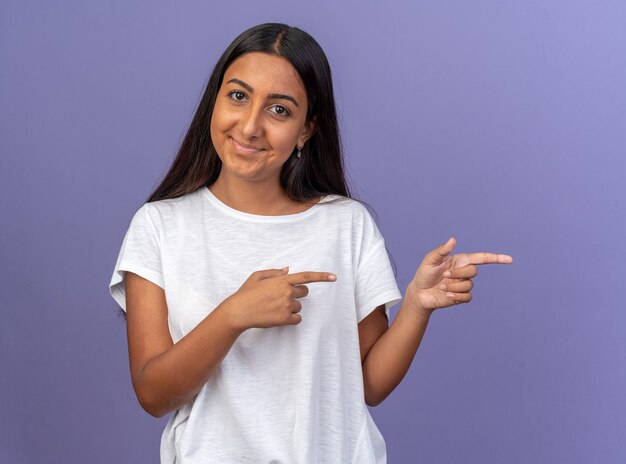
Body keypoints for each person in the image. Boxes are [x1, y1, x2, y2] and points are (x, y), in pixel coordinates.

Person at [108, 23, 512, 464]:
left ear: (305, 130)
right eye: (238, 96)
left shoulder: (346, 224)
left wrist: (416, 303)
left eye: (279, 110)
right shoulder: (160, 227)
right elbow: (153, 394)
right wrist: (232, 316)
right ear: (215, 100)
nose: (250, 125)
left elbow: (370, 386)